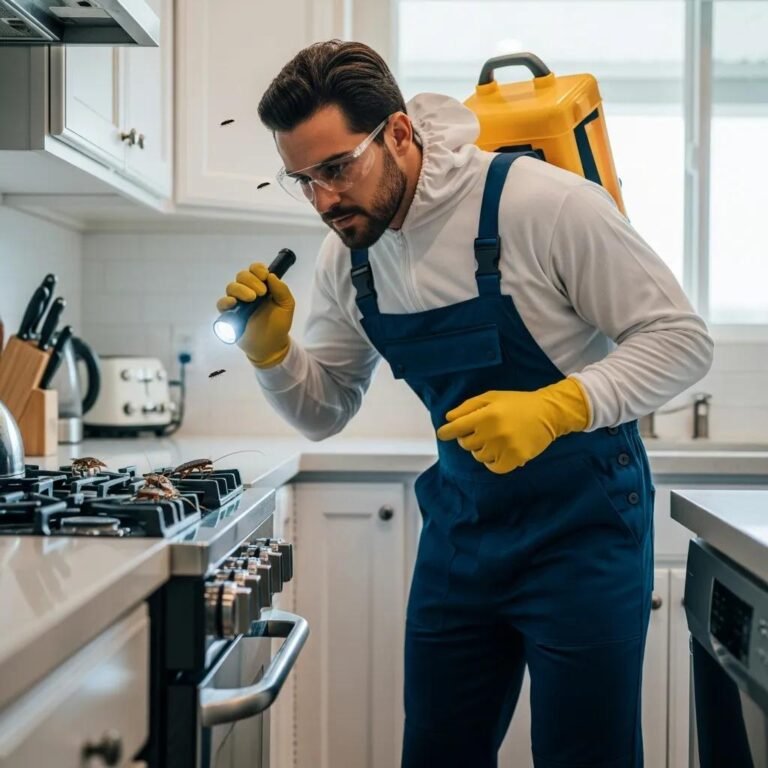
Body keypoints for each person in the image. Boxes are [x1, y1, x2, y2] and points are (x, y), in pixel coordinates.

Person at [216, 40, 713, 768]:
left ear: (398, 132)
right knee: (439, 751)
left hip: (584, 532)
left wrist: (558, 407)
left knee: (587, 754)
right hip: (462, 531)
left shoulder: (542, 204)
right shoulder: (348, 256)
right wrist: (272, 356)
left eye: (335, 168)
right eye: (301, 180)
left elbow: (681, 339)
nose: (323, 201)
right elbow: (324, 411)